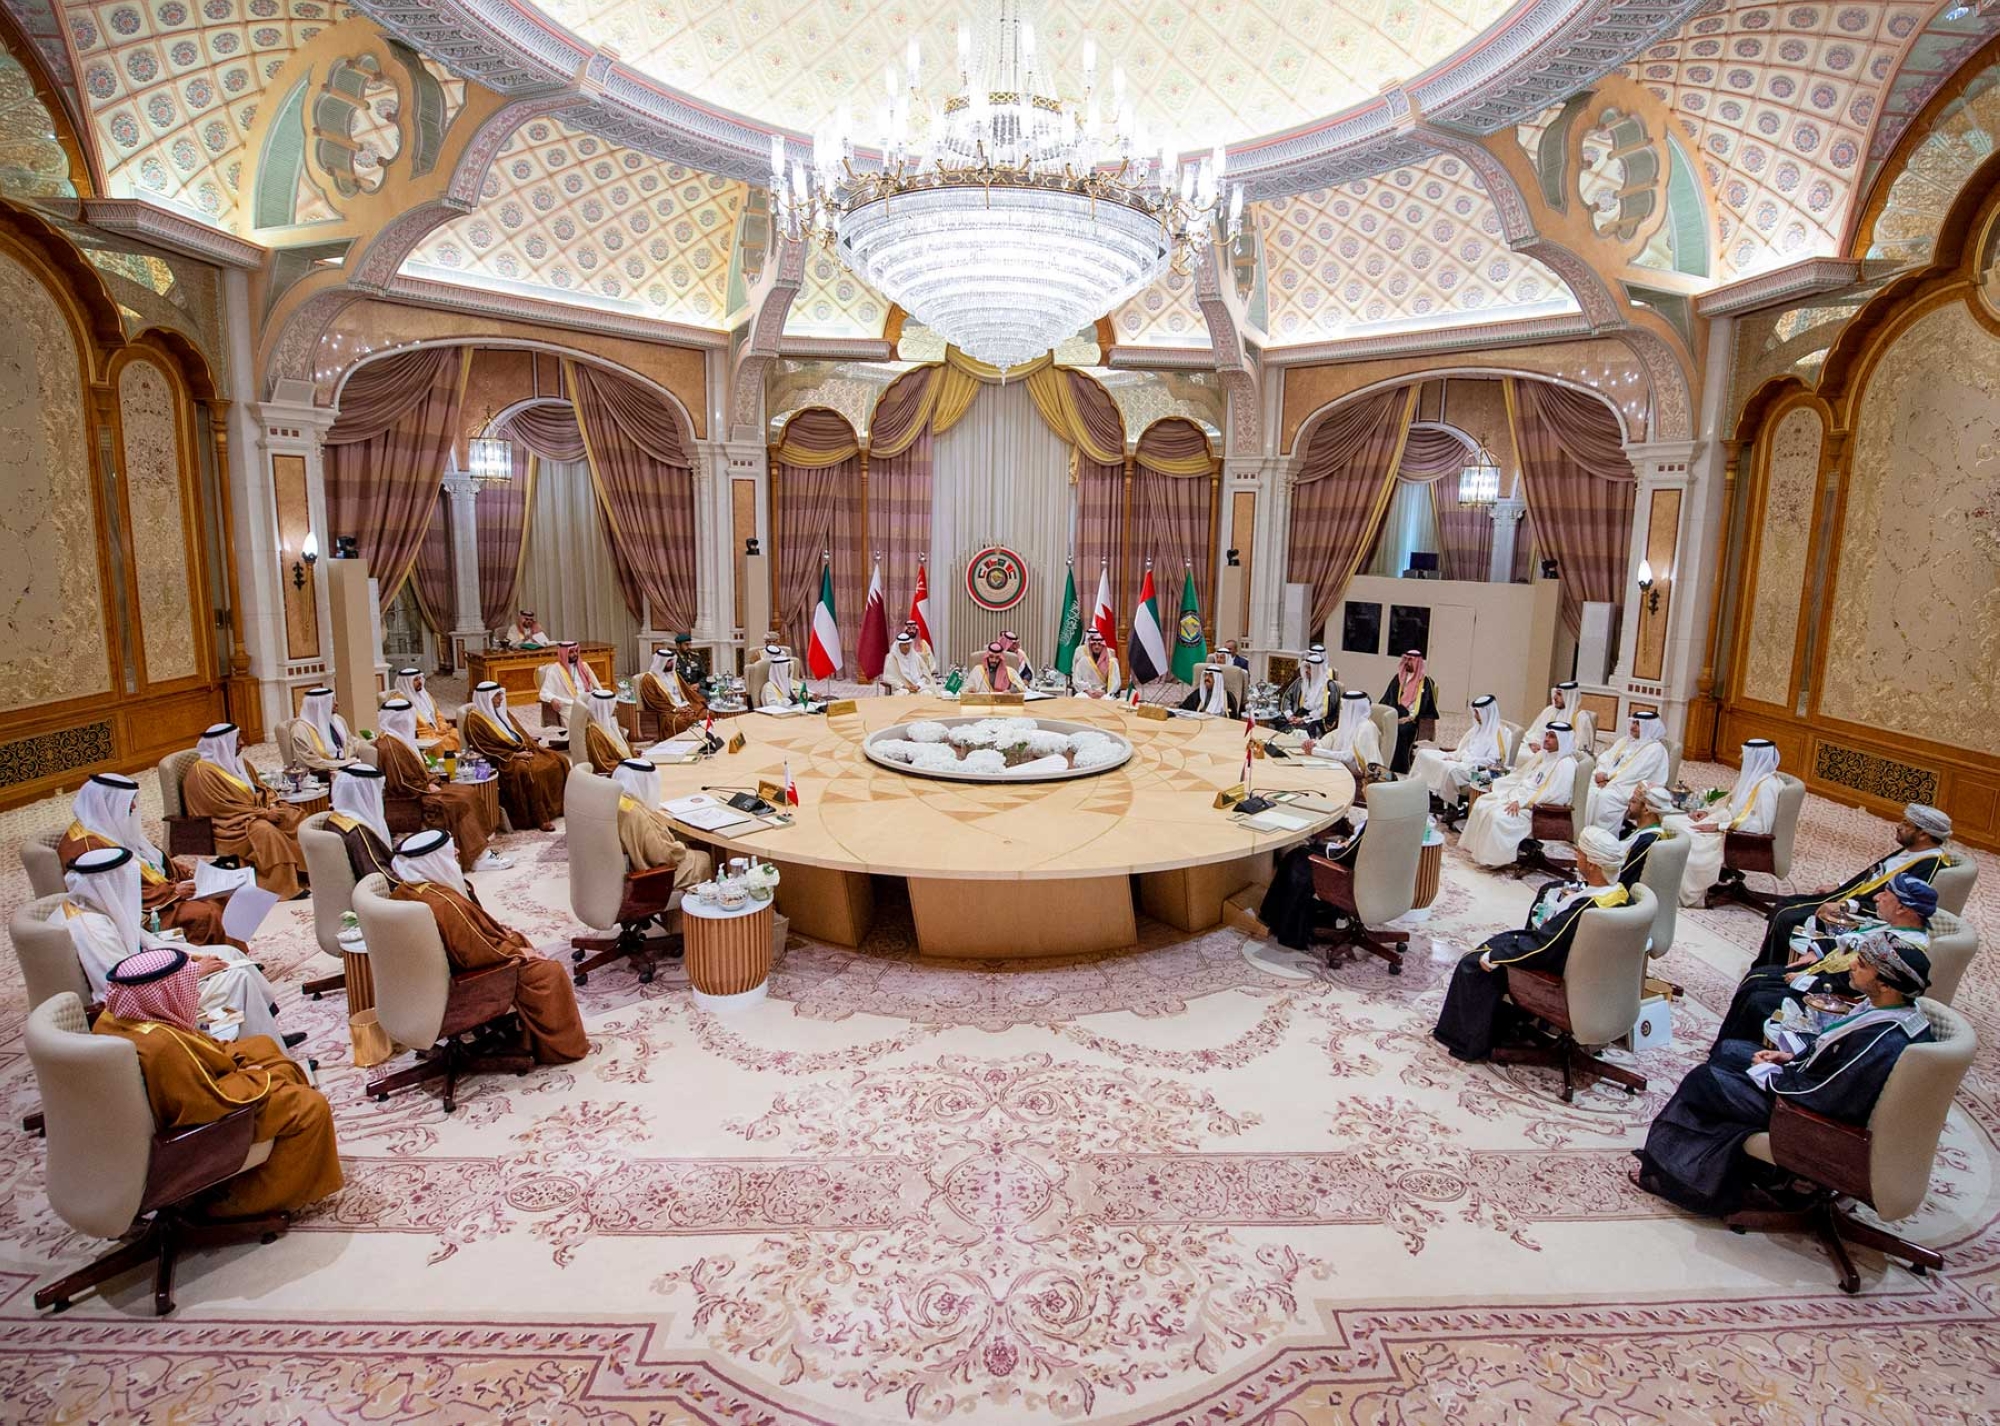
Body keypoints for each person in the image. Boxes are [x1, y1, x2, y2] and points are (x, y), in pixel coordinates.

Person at [1633, 933, 1934, 1217]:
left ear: (1886, 984)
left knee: (1705, 1081)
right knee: (1730, 1050)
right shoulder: (1886, 1007)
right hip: (1809, 1087)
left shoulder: (1884, 1038)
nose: (1852, 964)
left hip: (1814, 1120)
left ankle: (1679, 1179)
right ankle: (1720, 1167)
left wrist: (1773, 1076)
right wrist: (1789, 1058)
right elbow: (1834, 1058)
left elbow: (1829, 1095)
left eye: (1863, 964)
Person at [92, 947, 342, 1218]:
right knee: (309, 1106)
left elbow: (197, 1054)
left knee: (262, 1045)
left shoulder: (113, 1018)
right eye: (187, 987)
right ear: (164, 994)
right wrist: (256, 1075)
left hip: (184, 1097)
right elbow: (210, 1104)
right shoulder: (162, 1045)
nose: (196, 994)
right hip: (206, 1127)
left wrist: (243, 1063)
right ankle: (242, 1202)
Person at [56, 847, 292, 1047]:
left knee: (229, 953)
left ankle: (268, 1035)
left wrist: (191, 957)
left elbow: (151, 944)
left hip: (152, 974)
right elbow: (119, 987)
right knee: (236, 978)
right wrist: (193, 971)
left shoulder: (101, 904)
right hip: (141, 1004)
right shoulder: (90, 927)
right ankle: (257, 1052)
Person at [388, 830, 588, 1064]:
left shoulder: (406, 890)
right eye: (448, 851)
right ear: (432, 860)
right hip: (466, 981)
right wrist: (516, 953)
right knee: (547, 973)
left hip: (426, 983)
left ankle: (516, 1028)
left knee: (514, 938)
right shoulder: (444, 904)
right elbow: (476, 952)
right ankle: (562, 1050)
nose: (457, 852)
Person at [1432, 860, 1635, 1063]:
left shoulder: (1586, 909)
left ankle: (1468, 1042)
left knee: (1474, 963)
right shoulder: (1621, 895)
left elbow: (1543, 946)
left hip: (1560, 982)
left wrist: (1497, 956)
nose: (1576, 856)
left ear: (1592, 865)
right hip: (1601, 986)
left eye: (1580, 854)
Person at [1711, 873, 1936, 1046]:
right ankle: (1725, 1053)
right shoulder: (1895, 927)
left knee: (1759, 998)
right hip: (1829, 974)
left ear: (1902, 908)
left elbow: (1867, 982)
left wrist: (1807, 980)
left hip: (1839, 994)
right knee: (1757, 978)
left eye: (1886, 894)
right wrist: (1818, 952)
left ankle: (1740, 1056)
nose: (1877, 897)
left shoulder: (1906, 947)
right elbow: (1855, 941)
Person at [1752, 803, 1955, 969]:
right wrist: (1840, 885)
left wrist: (1845, 906)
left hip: (1866, 914)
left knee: (1788, 917)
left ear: (1923, 835)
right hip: (1850, 897)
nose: (1899, 826)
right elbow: (1874, 876)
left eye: (1906, 824)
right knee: (1785, 904)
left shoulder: (1929, 865)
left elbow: (1903, 906)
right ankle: (1768, 967)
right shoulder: (1910, 851)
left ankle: (1778, 970)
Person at [59, 772, 231, 948]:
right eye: (127, 802)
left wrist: (183, 873)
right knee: (206, 914)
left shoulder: (107, 825)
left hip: (158, 893)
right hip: (140, 910)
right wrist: (174, 891)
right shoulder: (87, 848)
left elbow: (148, 858)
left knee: (221, 894)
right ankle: (216, 966)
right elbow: (110, 891)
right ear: (105, 804)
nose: (133, 806)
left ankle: (239, 959)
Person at [375, 698, 504, 870]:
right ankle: (473, 857)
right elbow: (400, 782)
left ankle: (479, 851)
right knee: (458, 801)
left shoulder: (401, 739)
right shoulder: (389, 746)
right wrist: (426, 787)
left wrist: (432, 781)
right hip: (410, 798)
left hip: (424, 787)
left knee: (468, 792)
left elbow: (420, 770)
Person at [182, 723, 308, 899]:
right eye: (237, 740)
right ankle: (281, 886)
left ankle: (304, 873)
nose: (242, 743)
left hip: (253, 813)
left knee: (294, 816)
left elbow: (261, 787)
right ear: (222, 744)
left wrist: (272, 804)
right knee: (265, 832)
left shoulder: (242, 763)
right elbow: (222, 808)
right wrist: (263, 814)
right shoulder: (202, 773)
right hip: (228, 825)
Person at [1665, 739, 1782, 906]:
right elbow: (1731, 805)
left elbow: (1759, 827)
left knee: (1688, 835)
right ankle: (1669, 881)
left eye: (1745, 754)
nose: (1740, 757)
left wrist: (1717, 827)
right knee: (1671, 821)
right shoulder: (1752, 779)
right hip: (1725, 825)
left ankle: (1690, 894)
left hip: (1737, 839)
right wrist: (1708, 813)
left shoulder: (1767, 786)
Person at [1460, 723, 1581, 868]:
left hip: (1536, 810)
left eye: (1552, 737)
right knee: (1482, 801)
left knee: (1497, 817)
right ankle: (1479, 851)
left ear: (1563, 740)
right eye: (1547, 735)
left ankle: (1494, 859)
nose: (1547, 739)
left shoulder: (1565, 765)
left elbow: (1555, 796)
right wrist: (1499, 783)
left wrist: (1523, 802)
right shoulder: (1544, 755)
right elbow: (1520, 775)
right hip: (1518, 794)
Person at [463, 681, 564, 832]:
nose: (501, 699)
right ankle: (540, 818)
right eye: (497, 696)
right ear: (486, 698)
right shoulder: (474, 721)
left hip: (522, 749)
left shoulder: (501, 711)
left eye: (500, 695)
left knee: (558, 760)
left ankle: (558, 807)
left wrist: (530, 746)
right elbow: (484, 747)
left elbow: (520, 732)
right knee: (530, 773)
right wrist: (515, 755)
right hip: (503, 760)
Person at [610, 758, 714, 888]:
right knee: (704, 857)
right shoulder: (637, 814)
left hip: (623, 867)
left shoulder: (617, 801)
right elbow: (664, 857)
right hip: (653, 877)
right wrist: (682, 846)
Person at [1582, 710, 1671, 835]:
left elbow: (1635, 774)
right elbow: (1605, 758)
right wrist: (1601, 772)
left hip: (1631, 787)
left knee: (1606, 798)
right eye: (1633, 722)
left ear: (1649, 727)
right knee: (1589, 791)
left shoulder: (1655, 749)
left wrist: (1607, 780)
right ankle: (1584, 835)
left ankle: (1604, 840)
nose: (1633, 727)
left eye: (1638, 724)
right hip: (1612, 782)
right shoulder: (1624, 741)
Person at [1411, 695, 1505, 810]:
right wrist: (1456, 756)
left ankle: (1449, 806)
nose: (1475, 716)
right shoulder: (1478, 728)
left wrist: (1465, 759)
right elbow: (1464, 748)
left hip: (1480, 773)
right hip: (1462, 761)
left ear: (1487, 713)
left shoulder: (1499, 734)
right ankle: (1417, 790)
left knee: (1450, 770)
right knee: (1423, 754)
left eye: (1477, 713)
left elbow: (1494, 763)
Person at [327, 764, 396, 881]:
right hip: (377, 892)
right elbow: (380, 876)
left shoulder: (335, 817)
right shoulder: (358, 831)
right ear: (366, 792)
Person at [1381, 650, 1439, 774]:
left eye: (1410, 660)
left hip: (1414, 720)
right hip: (1396, 715)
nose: (1407, 662)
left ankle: (1400, 769)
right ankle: (1386, 764)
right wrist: (1392, 717)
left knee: (1402, 731)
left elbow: (1427, 709)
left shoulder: (1426, 683)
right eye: (1405, 659)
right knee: (1387, 728)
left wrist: (1409, 718)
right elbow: (1387, 699)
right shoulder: (1398, 678)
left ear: (1417, 662)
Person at [1302, 690, 1382, 774]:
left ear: (1352, 708)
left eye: (1344, 707)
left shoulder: (1367, 728)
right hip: (1341, 770)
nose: (1341, 710)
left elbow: (1349, 757)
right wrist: (1312, 744)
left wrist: (1316, 751)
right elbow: (1327, 742)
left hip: (1360, 779)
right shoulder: (1347, 725)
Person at [288, 687, 362, 773]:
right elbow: (310, 761)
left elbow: (351, 742)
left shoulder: (338, 720)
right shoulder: (300, 730)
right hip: (321, 772)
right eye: (332, 701)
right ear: (320, 705)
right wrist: (341, 764)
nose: (336, 703)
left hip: (345, 766)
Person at [640, 644, 705, 738]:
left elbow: (686, 690)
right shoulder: (649, 679)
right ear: (661, 662)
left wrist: (689, 704)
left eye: (671, 661)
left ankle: (703, 738)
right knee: (681, 721)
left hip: (683, 704)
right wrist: (675, 709)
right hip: (666, 710)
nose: (671, 664)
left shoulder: (674, 674)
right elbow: (653, 701)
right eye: (668, 662)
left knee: (705, 711)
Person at [391, 666, 459, 754]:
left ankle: (458, 764)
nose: (420, 682)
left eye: (420, 678)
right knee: (443, 743)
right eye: (415, 680)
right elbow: (407, 724)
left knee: (456, 734)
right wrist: (434, 731)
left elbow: (437, 713)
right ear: (407, 683)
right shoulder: (400, 701)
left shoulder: (425, 694)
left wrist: (442, 725)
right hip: (421, 734)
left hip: (437, 729)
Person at [538, 641, 603, 723]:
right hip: (569, 704)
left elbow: (597, 687)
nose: (575, 654)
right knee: (580, 723)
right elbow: (544, 692)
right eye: (571, 652)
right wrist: (552, 699)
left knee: (603, 715)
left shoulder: (584, 666)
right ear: (563, 653)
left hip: (587, 701)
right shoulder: (555, 670)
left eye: (576, 651)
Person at [1517, 681, 1577, 766]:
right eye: (1555, 693)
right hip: (1537, 747)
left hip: (1556, 754)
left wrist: (1546, 747)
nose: (1555, 697)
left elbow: (1577, 747)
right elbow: (1533, 732)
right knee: (1515, 750)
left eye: (1559, 695)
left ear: (1569, 697)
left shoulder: (1577, 718)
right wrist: (1531, 743)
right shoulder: (1549, 710)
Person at [581, 687, 633, 771]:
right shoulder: (593, 732)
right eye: (614, 704)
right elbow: (602, 762)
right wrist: (628, 765)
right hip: (618, 771)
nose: (617, 707)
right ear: (603, 707)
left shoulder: (611, 722)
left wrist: (633, 754)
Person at [1286, 651, 1336, 731]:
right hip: (1299, 714)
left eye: (1309, 668)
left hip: (1317, 720)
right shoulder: (1301, 682)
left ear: (1317, 669)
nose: (1306, 671)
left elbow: (1325, 711)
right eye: (1306, 667)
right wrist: (1289, 715)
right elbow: (1287, 698)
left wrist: (1304, 719)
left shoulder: (1329, 685)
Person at [1070, 629, 1123, 699]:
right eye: (1094, 644)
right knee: (1080, 697)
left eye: (1099, 644)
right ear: (1090, 646)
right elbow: (1077, 679)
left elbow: (1115, 681)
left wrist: (1105, 692)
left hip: (1104, 692)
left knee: (1108, 699)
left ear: (1103, 646)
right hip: (1087, 692)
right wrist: (1088, 691)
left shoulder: (1112, 662)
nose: (1097, 647)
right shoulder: (1083, 661)